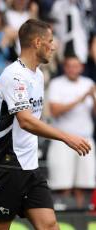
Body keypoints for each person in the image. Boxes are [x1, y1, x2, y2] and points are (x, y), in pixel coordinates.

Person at [0, 19, 91, 230]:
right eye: (50, 41)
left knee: (50, 225)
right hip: (8, 165)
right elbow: (25, 121)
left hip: (30, 166)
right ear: (37, 42)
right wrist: (67, 137)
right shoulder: (14, 76)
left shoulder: (39, 75)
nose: (53, 46)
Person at [47, 55, 96, 209]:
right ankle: (64, 214)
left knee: (84, 184)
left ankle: (82, 215)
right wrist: (81, 99)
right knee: (62, 183)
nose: (73, 69)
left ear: (81, 67)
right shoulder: (56, 84)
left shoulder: (89, 83)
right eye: (70, 66)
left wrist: (93, 99)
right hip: (62, 139)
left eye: (76, 66)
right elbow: (54, 111)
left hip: (86, 138)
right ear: (65, 67)